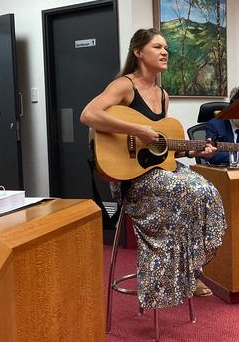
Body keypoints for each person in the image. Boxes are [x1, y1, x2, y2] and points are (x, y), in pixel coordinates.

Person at [80, 28, 226, 307]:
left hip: (159, 172)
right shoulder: (124, 85)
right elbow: (89, 114)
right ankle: (168, 276)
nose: (164, 52)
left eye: (166, 47)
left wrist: (195, 149)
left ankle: (190, 267)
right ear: (138, 52)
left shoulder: (163, 95)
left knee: (207, 192)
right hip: (132, 179)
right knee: (187, 189)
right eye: (157, 46)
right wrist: (138, 129)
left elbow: (162, 148)